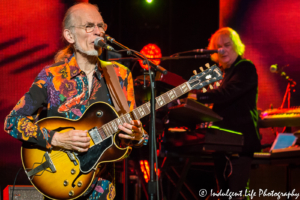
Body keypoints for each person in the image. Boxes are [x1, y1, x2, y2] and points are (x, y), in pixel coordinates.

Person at [4, 3, 148, 200]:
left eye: (101, 26)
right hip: (59, 183)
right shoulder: (51, 77)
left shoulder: (120, 75)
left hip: (103, 190)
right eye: (89, 26)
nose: (98, 32)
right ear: (70, 36)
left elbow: (127, 137)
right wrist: (56, 139)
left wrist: (137, 135)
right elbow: (12, 122)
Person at [196, 27, 261, 199]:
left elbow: (227, 94)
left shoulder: (245, 67)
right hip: (222, 142)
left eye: (227, 45)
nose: (222, 50)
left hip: (239, 141)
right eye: (218, 47)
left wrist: (197, 97)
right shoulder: (224, 73)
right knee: (225, 195)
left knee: (236, 195)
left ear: (237, 46)